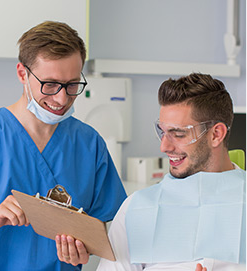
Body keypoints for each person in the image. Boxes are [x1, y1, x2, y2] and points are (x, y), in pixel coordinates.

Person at [0, 21, 127, 271]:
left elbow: (109, 229)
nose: (62, 98)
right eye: (51, 84)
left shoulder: (89, 143)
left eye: (72, 85)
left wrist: (85, 250)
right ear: (22, 74)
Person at [95, 73, 246, 271]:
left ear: (216, 135)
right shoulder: (136, 209)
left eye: (178, 134)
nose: (164, 147)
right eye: (162, 132)